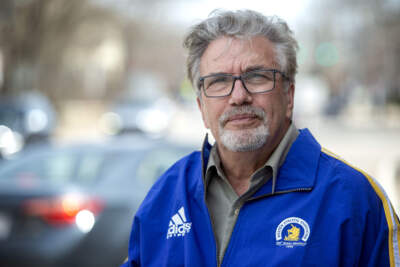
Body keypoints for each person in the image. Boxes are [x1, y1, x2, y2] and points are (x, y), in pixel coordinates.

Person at [122, 9, 400, 267]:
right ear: (201, 108)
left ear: (289, 95)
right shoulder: (168, 193)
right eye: (218, 81)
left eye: (256, 77)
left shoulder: (354, 198)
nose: (238, 96)